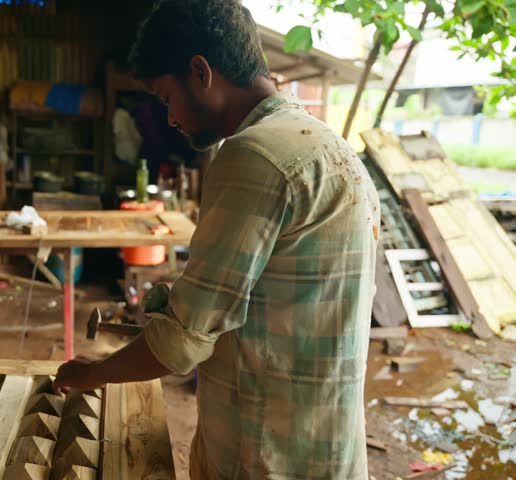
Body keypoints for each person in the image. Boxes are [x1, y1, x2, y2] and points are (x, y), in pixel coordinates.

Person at [53, 1, 380, 478]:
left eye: (167, 98)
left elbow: (182, 341)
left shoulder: (255, 155)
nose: (168, 119)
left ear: (200, 72)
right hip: (326, 450)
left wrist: (93, 373)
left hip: (265, 457)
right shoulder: (328, 145)